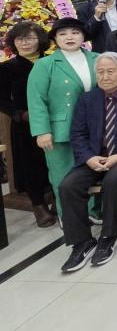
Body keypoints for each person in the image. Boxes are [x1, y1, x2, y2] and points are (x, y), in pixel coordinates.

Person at [59, 52, 117, 272]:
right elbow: (78, 134)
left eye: (110, 71)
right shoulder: (87, 99)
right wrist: (89, 158)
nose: (105, 76)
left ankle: (108, 237)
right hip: (94, 157)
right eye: (100, 72)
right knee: (68, 186)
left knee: (113, 180)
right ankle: (81, 241)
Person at [27, 18, 99, 217]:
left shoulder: (97, 58)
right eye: (63, 34)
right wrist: (42, 131)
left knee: (93, 173)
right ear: (55, 38)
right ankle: (68, 217)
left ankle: (93, 212)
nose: (69, 37)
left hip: (94, 127)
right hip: (60, 130)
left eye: (75, 32)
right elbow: (36, 100)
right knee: (63, 176)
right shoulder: (45, 64)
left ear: (83, 36)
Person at [0, 22, 57, 227]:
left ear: (40, 40)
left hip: (54, 121)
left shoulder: (53, 62)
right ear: (13, 43)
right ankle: (38, 206)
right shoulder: (7, 68)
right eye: (20, 39)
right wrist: (20, 115)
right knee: (31, 165)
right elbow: (2, 99)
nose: (25, 43)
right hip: (25, 124)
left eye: (30, 38)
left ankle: (58, 200)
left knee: (55, 161)